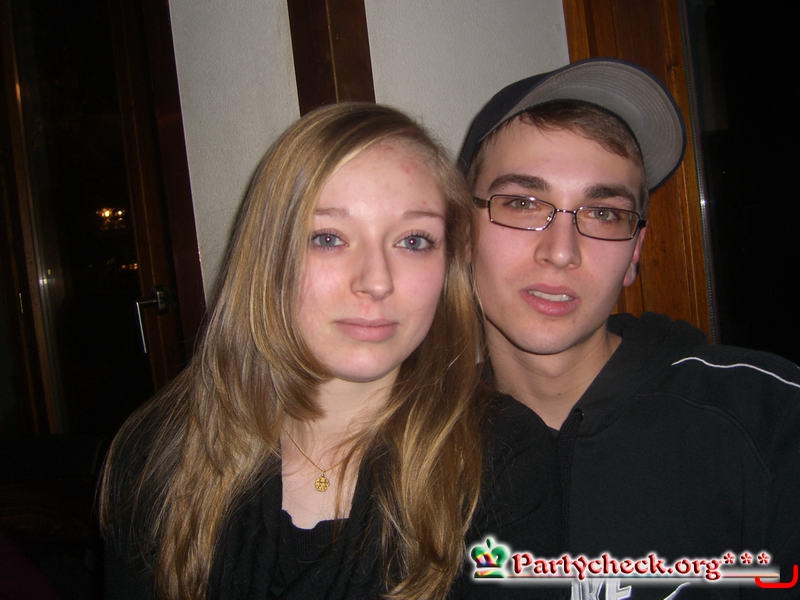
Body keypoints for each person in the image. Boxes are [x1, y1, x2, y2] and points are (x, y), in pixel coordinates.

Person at [99, 102, 560, 600]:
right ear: (269, 257)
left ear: (447, 264)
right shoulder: (160, 451)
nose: (376, 281)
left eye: (412, 241)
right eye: (328, 238)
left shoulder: (503, 457)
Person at [458, 57, 800, 599]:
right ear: (463, 233)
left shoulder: (771, 419)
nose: (561, 252)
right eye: (522, 203)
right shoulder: (416, 449)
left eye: (603, 214)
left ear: (635, 251)